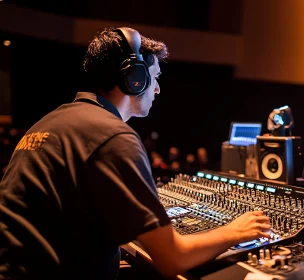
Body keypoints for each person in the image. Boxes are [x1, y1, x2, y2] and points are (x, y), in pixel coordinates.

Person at [0, 27, 270, 279]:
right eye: (155, 78)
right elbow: (173, 259)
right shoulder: (113, 136)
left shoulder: (49, 123)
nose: (157, 88)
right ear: (134, 78)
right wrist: (235, 231)